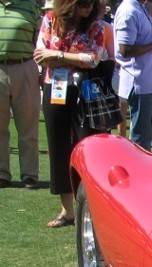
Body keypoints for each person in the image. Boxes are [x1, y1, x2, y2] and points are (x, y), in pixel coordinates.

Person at [34, 0, 106, 227]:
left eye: (91, 4)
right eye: (83, 4)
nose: (87, 9)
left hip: (85, 90)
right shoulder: (50, 20)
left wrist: (59, 56)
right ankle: (67, 211)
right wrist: (76, 56)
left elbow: (93, 59)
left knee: (88, 146)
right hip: (54, 87)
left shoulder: (95, 26)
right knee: (58, 146)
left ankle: (93, 208)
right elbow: (40, 55)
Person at [114, 0, 152, 153]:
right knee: (141, 139)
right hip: (139, 83)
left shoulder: (140, 8)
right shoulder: (128, 11)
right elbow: (125, 50)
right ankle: (140, 175)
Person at [0, 0, 41, 189]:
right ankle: (2, 174)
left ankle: (29, 175)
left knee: (28, 126)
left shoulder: (30, 6)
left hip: (24, 66)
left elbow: (38, 39)